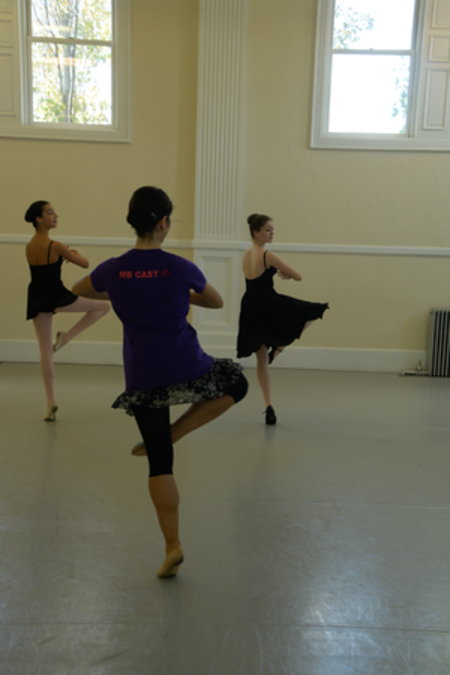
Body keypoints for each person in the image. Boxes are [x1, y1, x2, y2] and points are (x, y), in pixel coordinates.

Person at [72, 186, 247, 579]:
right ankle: (177, 431)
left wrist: (121, 291)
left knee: (159, 462)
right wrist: (180, 293)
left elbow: (79, 290)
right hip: (187, 363)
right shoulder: (179, 267)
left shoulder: (113, 269)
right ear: (164, 222)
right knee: (236, 384)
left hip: (144, 374)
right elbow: (216, 301)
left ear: (134, 222)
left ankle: (172, 546)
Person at [237, 213, 328, 425]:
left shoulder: (246, 255)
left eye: (272, 230)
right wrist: (286, 274)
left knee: (261, 359)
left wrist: (280, 272)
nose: (272, 234)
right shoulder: (268, 255)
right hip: (268, 302)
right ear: (256, 232)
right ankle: (279, 348)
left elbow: (255, 278)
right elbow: (298, 276)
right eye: (268, 230)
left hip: (250, 305)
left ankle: (268, 405)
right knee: (313, 311)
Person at [25, 200, 110, 422]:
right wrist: (73, 253)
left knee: (45, 350)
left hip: (37, 297)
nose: (55, 215)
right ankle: (67, 337)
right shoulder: (56, 245)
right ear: (39, 219)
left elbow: (43, 271)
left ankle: (50, 402)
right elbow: (85, 263)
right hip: (57, 296)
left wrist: (62, 257)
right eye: (50, 213)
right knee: (103, 306)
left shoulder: (29, 245)